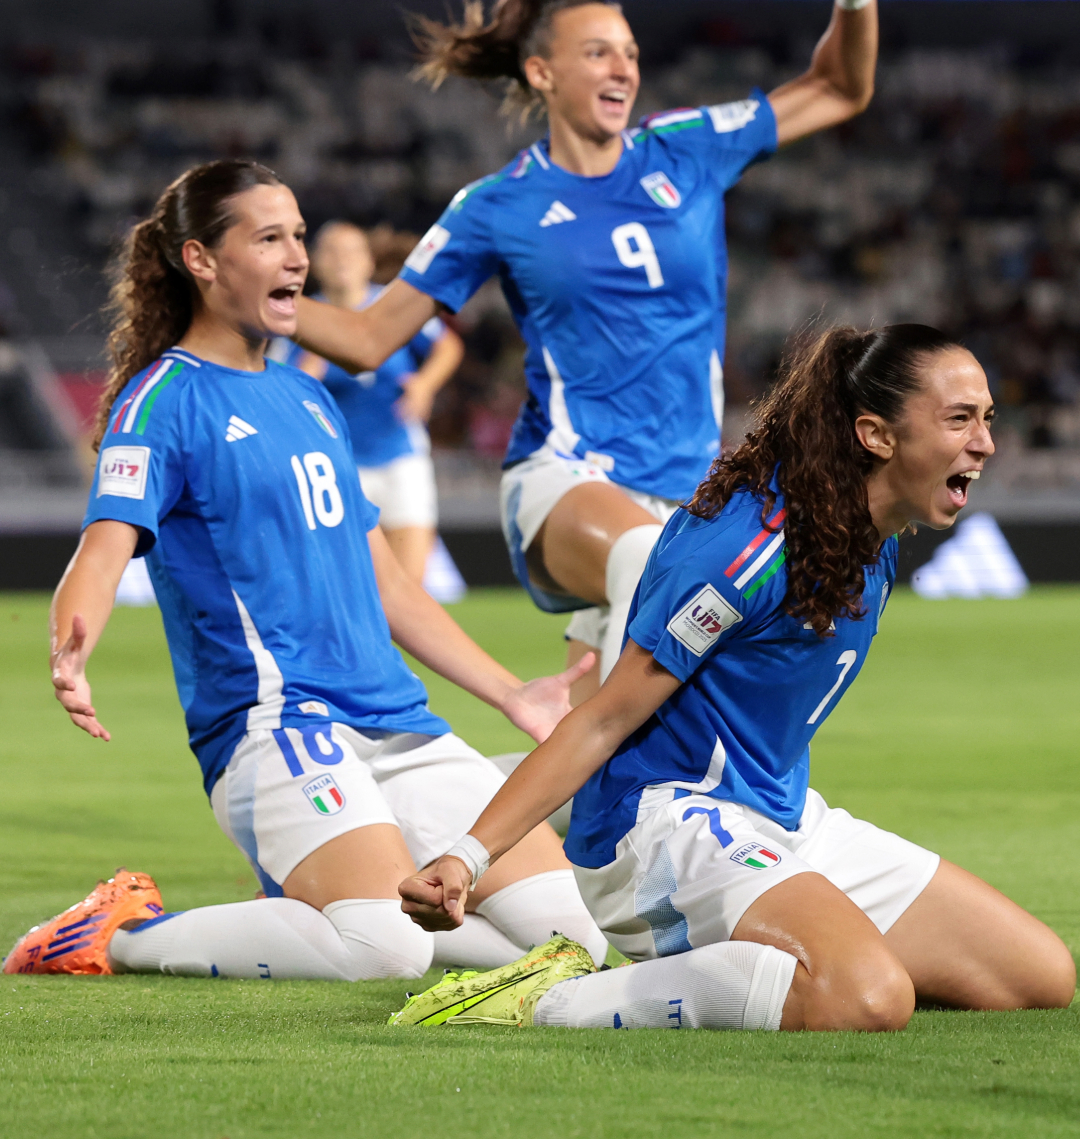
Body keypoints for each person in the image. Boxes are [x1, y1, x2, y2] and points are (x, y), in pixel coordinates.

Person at [3, 160, 607, 981]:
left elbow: (386, 581)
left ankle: (309, 905)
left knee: (579, 947)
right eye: (268, 238)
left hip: (400, 727)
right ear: (201, 261)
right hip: (277, 728)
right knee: (384, 950)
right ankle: (117, 933)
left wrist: (507, 692)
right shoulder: (163, 399)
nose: (296, 257)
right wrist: (71, 641)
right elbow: (105, 543)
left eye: (297, 237)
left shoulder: (310, 397)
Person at [389, 324, 1075, 1031]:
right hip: (661, 823)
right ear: (876, 435)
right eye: (960, 419)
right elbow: (604, 718)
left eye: (987, 418)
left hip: (778, 815)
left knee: (1038, 975)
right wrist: (468, 859)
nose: (985, 442)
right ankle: (551, 998)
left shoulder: (874, 532)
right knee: (868, 998)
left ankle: (763, 969)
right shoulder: (749, 549)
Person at [291, 0, 879, 697]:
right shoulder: (498, 205)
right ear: (543, 73)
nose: (624, 67)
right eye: (599, 52)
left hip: (690, 489)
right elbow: (366, 339)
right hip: (569, 477)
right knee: (662, 575)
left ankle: (420, 819)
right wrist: (252, 299)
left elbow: (841, 89)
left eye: (629, 51)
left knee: (595, 775)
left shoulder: (688, 151)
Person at [289, 220, 464, 585]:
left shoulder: (388, 306)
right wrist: (308, 373)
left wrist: (424, 385)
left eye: (351, 251)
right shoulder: (298, 317)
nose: (341, 260)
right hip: (336, 468)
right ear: (314, 263)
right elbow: (277, 388)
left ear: (369, 261)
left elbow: (447, 346)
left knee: (408, 583)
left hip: (399, 454)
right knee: (344, 585)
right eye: (331, 251)